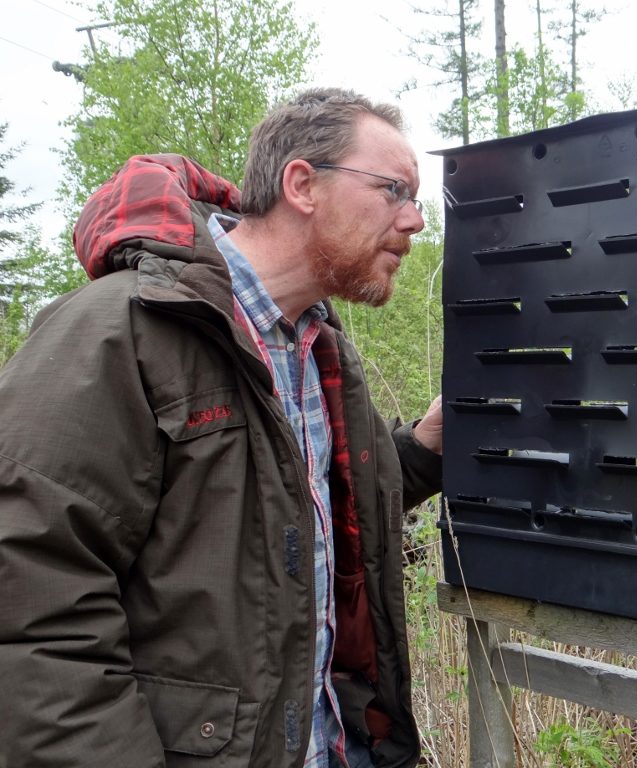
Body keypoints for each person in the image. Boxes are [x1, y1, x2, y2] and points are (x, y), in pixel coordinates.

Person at [0, 88, 443, 768]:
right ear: (303, 184)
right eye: (394, 190)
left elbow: (297, 507)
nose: (414, 220)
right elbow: (32, 608)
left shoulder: (320, 346)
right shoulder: (119, 330)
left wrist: (421, 449)